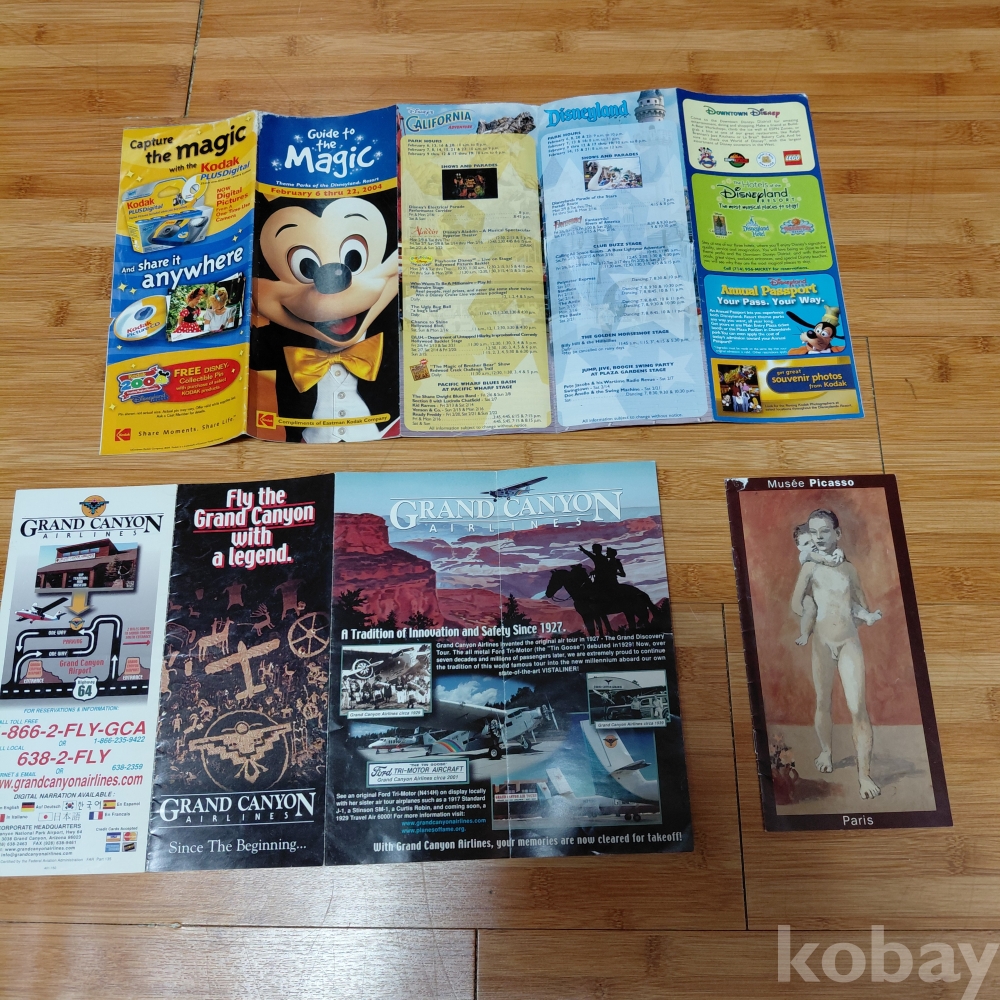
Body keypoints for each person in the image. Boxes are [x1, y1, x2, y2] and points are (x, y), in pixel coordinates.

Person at [791, 509, 883, 799]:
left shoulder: (849, 570)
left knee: (858, 709)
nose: (818, 537)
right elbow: (795, 604)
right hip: (821, 643)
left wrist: (859, 617)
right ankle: (826, 752)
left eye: (825, 531)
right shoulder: (809, 568)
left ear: (838, 534)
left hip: (848, 643)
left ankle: (864, 776)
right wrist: (809, 611)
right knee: (823, 702)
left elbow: (862, 606)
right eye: (814, 532)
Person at [792, 523, 880, 647]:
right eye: (806, 543)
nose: (811, 545)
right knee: (810, 609)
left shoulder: (823, 551)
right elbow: (815, 557)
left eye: (812, 541)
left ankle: (867, 616)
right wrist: (828, 559)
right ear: (799, 547)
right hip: (813, 594)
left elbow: (837, 553)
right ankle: (805, 634)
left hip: (829, 592)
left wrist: (839, 552)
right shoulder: (806, 555)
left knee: (849, 603)